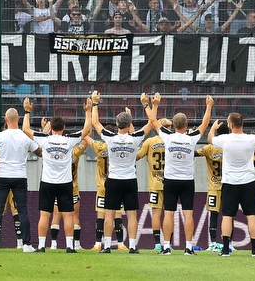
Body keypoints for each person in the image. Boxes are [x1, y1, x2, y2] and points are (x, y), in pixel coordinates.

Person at [23, 96, 92, 253]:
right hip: (65, 183)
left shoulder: (45, 139)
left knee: (45, 214)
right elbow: (87, 130)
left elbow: (26, 130)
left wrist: (27, 112)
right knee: (68, 215)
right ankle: (69, 246)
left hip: (47, 182)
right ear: (63, 127)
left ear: (51, 127)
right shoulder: (69, 140)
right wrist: (88, 111)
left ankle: (41, 245)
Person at [90, 89, 154, 254]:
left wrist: (95, 103)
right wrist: (150, 105)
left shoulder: (110, 138)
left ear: (117, 124)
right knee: (132, 214)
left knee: (109, 213)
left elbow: (95, 123)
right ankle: (132, 246)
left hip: (113, 179)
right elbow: (152, 123)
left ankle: (106, 246)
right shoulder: (135, 138)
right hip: (130, 179)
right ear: (129, 123)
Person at [149, 93, 212, 256]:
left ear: (174, 125)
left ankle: (166, 247)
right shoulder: (191, 138)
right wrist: (209, 106)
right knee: (188, 213)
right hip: (187, 181)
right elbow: (205, 124)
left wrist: (148, 105)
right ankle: (189, 247)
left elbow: (153, 121)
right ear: (187, 124)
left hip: (170, 180)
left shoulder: (167, 136)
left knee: (168, 213)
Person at [209, 110, 255, 257]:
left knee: (227, 216)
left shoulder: (225, 139)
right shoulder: (251, 139)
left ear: (231, 125)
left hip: (229, 182)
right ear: (242, 124)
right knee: (251, 215)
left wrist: (213, 128)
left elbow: (210, 139)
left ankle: (225, 250)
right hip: (248, 182)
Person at [0, 105, 39, 252]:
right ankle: (27, 244)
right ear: (18, 119)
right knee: (23, 211)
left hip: (2, 177)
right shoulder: (24, 137)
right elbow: (39, 152)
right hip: (19, 177)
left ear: (6, 120)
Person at [137, 103, 169, 251]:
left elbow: (137, 156)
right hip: (170, 183)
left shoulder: (150, 142)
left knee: (156, 214)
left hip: (154, 183)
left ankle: (157, 243)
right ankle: (168, 243)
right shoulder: (173, 140)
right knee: (170, 214)